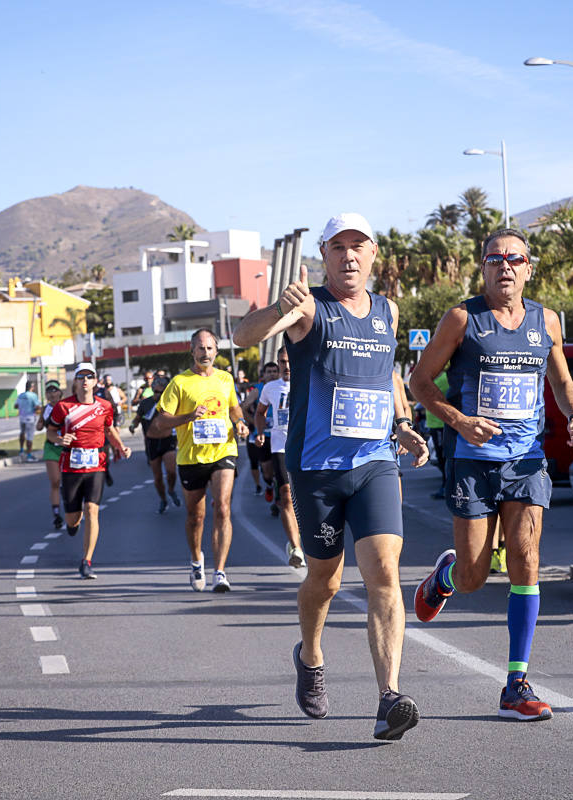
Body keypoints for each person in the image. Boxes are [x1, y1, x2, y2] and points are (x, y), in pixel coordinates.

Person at [233, 212, 429, 741]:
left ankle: (389, 697)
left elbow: (387, 371)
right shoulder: (308, 308)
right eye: (338, 247)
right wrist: (280, 305)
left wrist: (403, 422)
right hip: (316, 470)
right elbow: (243, 334)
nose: (348, 256)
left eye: (357, 246)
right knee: (326, 580)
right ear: (325, 255)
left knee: (385, 573)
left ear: (372, 255)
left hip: (374, 463)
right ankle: (311, 656)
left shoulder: (387, 310)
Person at [409, 227, 573, 723]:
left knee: (525, 558)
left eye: (515, 259)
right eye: (495, 259)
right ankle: (445, 577)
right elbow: (420, 382)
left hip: (527, 460)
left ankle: (516, 683)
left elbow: (563, 381)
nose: (505, 266)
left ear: (529, 268)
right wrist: (461, 421)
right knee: (474, 576)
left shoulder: (546, 321)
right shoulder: (462, 319)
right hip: (472, 461)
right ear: (483, 267)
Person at [149, 329, 250, 593]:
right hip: (191, 456)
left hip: (223, 451)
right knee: (196, 516)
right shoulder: (179, 383)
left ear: (216, 351)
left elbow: (233, 407)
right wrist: (188, 417)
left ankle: (220, 572)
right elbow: (160, 421)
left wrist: (239, 422)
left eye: (210, 348)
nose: (205, 353)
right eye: (200, 348)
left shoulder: (226, 379)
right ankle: (196, 560)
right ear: (192, 351)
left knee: (224, 508)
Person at [46, 364, 131, 579]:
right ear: (75, 381)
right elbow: (50, 432)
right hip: (71, 466)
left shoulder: (104, 406)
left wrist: (121, 446)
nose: (85, 380)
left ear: (95, 381)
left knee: (93, 510)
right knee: (73, 519)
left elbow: (109, 429)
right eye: (80, 377)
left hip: (97, 465)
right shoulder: (63, 407)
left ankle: (87, 561)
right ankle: (72, 524)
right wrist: (59, 439)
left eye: (89, 376)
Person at [253, 347, 305, 568]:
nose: (287, 366)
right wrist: (259, 432)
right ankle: (296, 548)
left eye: (290, 361)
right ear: (278, 363)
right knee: (286, 496)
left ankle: (307, 542)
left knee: (306, 500)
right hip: (280, 446)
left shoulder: (309, 380)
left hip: (308, 448)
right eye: (283, 362)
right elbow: (259, 412)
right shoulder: (270, 388)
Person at [130, 373, 181, 514]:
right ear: (152, 390)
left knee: (171, 471)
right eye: (156, 391)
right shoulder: (145, 403)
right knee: (157, 477)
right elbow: (137, 418)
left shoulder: (171, 402)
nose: (159, 394)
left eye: (162, 392)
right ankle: (163, 499)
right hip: (152, 442)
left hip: (168, 440)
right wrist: (133, 426)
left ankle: (171, 490)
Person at [244, 362, 280, 499]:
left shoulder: (284, 387)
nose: (272, 374)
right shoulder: (258, 390)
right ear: (263, 375)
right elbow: (243, 408)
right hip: (263, 436)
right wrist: (256, 423)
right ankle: (269, 485)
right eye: (269, 372)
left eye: (274, 371)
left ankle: (280, 497)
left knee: (281, 469)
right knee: (267, 472)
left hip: (280, 435)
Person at [36, 380, 66, 529]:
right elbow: (39, 425)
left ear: (60, 392)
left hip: (66, 447)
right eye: (49, 391)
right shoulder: (45, 408)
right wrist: (42, 422)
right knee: (55, 481)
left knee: (68, 481)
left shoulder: (67, 406)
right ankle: (56, 515)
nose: (52, 394)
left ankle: (71, 505)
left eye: (54, 390)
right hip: (51, 447)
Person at [15, 381, 40, 460]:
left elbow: (16, 406)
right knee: (30, 436)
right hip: (30, 418)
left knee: (22, 433)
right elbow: (37, 406)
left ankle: (21, 450)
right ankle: (29, 455)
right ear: (32, 387)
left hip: (22, 417)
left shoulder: (20, 395)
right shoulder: (33, 396)